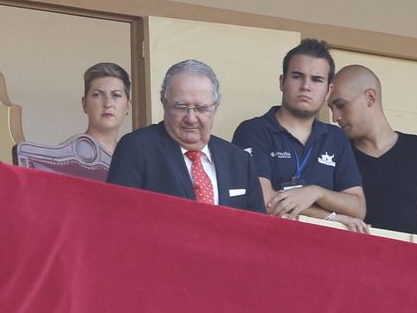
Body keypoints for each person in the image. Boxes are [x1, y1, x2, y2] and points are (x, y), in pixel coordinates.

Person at [232, 37, 364, 222]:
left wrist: (316, 193)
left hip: (320, 248)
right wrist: (331, 217)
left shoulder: (336, 138)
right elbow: (265, 201)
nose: (306, 86)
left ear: (328, 91)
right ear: (282, 82)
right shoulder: (253, 131)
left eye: (316, 80)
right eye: (297, 76)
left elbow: (357, 207)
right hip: (264, 242)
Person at [107, 59, 264, 212]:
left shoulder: (239, 160)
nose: (191, 118)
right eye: (181, 107)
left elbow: (258, 230)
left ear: (216, 107)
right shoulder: (137, 148)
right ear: (164, 103)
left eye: (201, 108)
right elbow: (119, 218)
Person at [329, 64, 417, 240]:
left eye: (340, 105)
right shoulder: (336, 153)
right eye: (331, 109)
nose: (335, 117)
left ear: (370, 97)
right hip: (348, 259)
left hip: (403, 261)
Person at [80, 62, 131, 153]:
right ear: (84, 104)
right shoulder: (68, 156)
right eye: (97, 95)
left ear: (128, 105)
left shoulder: (133, 157)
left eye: (116, 95)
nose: (108, 104)